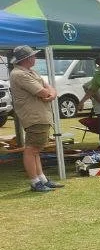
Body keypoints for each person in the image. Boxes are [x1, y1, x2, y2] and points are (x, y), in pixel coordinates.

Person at [7, 45, 62, 192]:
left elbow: (50, 88)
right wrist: (50, 94)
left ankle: (41, 179)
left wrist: (51, 94)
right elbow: (42, 92)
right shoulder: (19, 74)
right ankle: (34, 182)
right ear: (26, 59)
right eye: (33, 56)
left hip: (40, 115)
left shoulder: (30, 72)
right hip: (34, 116)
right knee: (31, 149)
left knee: (36, 149)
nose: (35, 58)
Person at [79, 70, 100, 149]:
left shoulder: (98, 79)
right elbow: (87, 87)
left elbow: (86, 86)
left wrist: (95, 96)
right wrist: (97, 97)